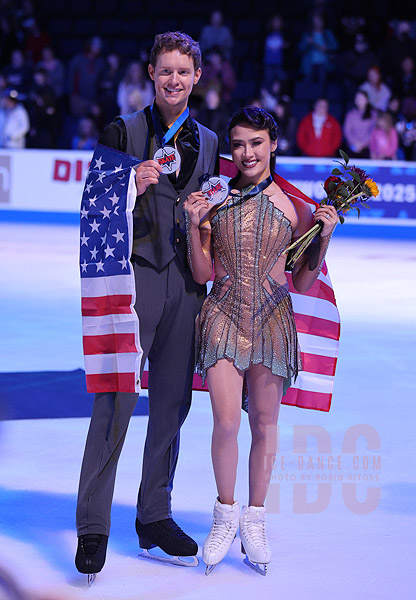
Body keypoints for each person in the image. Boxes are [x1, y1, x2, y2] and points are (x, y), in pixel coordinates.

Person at [75, 31, 218, 579]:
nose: (174, 80)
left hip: (185, 285)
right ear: (151, 74)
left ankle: (154, 514)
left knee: (171, 405)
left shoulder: (206, 142)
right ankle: (93, 525)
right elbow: (92, 204)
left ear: (197, 77)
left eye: (184, 71)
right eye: (165, 71)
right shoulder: (122, 131)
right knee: (114, 400)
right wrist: (129, 184)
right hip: (133, 279)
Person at [184, 106, 338, 573]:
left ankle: (255, 517)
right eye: (237, 144)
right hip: (223, 317)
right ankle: (224, 514)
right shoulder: (216, 199)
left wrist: (324, 236)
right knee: (227, 422)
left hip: (272, 319)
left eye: (255, 143)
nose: (246, 152)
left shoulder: (295, 205)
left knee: (265, 425)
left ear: (273, 143)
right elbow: (202, 272)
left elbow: (306, 281)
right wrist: (194, 226)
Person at [343, 89, 377, 158]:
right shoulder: (350, 114)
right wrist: (355, 143)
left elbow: (373, 131)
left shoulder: (373, 114)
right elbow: (347, 131)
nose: (359, 100)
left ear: (367, 100)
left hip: (367, 147)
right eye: (357, 98)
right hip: (352, 146)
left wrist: (362, 144)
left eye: (361, 98)